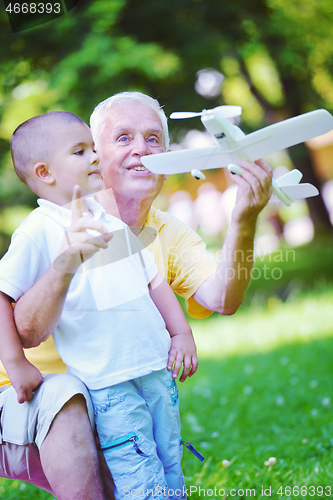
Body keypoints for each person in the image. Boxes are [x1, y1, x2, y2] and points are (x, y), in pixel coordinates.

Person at [0, 92, 272, 497]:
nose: (141, 149)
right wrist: (64, 265)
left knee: (160, 469)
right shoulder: (47, 227)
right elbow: (22, 327)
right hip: (37, 400)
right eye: (122, 138)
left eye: (153, 139)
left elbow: (217, 296)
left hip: (130, 383)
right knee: (73, 401)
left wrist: (244, 219)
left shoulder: (139, 229)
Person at [0, 110, 198, 499]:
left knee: (169, 459)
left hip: (156, 368)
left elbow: (153, 279)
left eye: (92, 148)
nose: (94, 157)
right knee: (137, 469)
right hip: (108, 381)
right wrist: (16, 362)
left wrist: (181, 332)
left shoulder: (108, 221)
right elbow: (3, 295)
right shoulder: (38, 230)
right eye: (79, 151)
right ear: (45, 173)